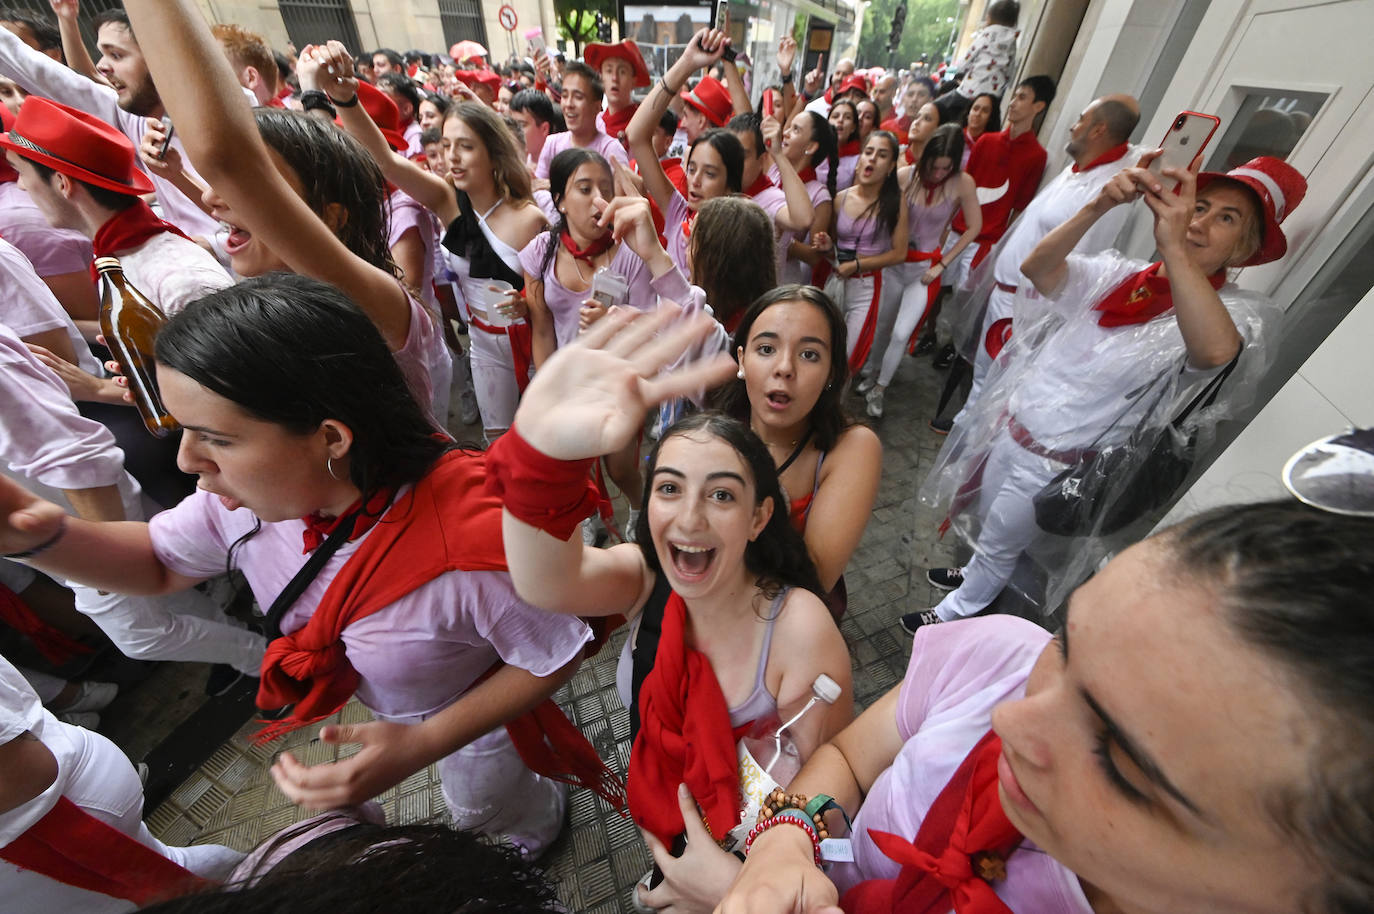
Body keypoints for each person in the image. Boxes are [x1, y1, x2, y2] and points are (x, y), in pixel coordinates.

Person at [0, 275, 612, 858]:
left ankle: (534, 827)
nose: (187, 461)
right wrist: (42, 537)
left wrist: (427, 741)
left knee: (486, 806)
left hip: (477, 718)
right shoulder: (245, 507)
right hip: (397, 710)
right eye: (183, 430)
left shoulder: (476, 547)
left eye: (217, 438)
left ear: (331, 438)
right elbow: (158, 565)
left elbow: (555, 652)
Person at [719, 499, 1374, 914]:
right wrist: (784, 843)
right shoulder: (1003, 657)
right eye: (1068, 644)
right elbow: (849, 759)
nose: (1009, 723)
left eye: (1120, 761)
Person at [487, 304, 854, 912]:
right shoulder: (645, 579)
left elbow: (821, 800)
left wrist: (726, 890)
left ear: (759, 517)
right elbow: (544, 580)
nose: (689, 518)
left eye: (721, 495)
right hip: (661, 821)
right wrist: (540, 456)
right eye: (669, 488)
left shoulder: (799, 630)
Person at [911, 155, 1304, 631]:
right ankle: (975, 575)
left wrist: (1175, 249)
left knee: (1000, 542)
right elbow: (1039, 267)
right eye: (1199, 206)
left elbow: (1216, 353)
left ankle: (956, 612)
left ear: (1244, 247)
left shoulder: (1230, 314)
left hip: (1053, 464)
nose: (1198, 222)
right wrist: (1097, 205)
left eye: (1227, 218)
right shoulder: (1121, 276)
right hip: (1010, 432)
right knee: (990, 526)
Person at [122, 3, 451, 427]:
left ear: (331, 218)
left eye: (259, 188)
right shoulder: (271, 302)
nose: (212, 199)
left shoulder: (378, 304)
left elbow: (232, 164)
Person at [308, 41, 545, 442]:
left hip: (530, 347)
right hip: (483, 346)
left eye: (465, 146)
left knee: (540, 441)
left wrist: (528, 304)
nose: (452, 157)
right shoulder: (446, 200)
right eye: (447, 146)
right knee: (498, 443)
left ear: (493, 153)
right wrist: (346, 99)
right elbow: (385, 161)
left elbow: (552, 301)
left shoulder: (530, 218)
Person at [939, 93, 1140, 434]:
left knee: (997, 385)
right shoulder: (1077, 173)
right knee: (983, 377)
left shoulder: (1105, 188)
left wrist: (1035, 311)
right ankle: (964, 430)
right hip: (1007, 295)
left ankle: (972, 440)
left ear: (1098, 130)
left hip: (1027, 304)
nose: (1073, 126)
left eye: (1081, 119)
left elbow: (1078, 258)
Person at [0, 652, 244, 910]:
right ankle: (260, 884)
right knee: (171, 870)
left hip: (52, 813)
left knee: (168, 889)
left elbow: (26, 773)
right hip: (57, 799)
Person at [0, 10, 226, 259]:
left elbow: (255, 213)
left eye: (116, 55)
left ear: (161, 57)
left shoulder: (230, 117)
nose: (101, 67)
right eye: (103, 54)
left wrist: (216, 246)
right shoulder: (133, 117)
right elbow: (40, 73)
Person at [715, 286, 881, 618]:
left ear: (832, 372)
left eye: (809, 355)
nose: (784, 367)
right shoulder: (715, 431)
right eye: (766, 349)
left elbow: (814, 578)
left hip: (789, 628)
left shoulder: (852, 447)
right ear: (742, 360)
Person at [861, 124, 981, 418]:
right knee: (882, 326)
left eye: (945, 168)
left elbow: (974, 226)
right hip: (893, 265)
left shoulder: (962, 183)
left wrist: (943, 263)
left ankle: (880, 388)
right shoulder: (905, 176)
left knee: (901, 333)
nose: (938, 174)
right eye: (934, 166)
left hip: (925, 270)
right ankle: (872, 371)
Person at [627, 30, 746, 278]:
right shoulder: (679, 213)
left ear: (730, 186)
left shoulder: (740, 240)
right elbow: (636, 135)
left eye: (710, 173)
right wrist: (687, 62)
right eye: (691, 169)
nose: (695, 180)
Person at [939, 75, 1053, 296]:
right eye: (1014, 96)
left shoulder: (1036, 156)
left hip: (986, 242)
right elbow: (962, 188)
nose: (1013, 103)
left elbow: (1020, 208)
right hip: (957, 232)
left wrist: (1002, 247)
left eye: (1022, 98)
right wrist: (944, 226)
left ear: (1038, 106)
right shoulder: (986, 141)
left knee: (964, 296)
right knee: (935, 288)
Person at [815, 131, 909, 375]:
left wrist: (857, 265)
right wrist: (827, 247)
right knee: (822, 347)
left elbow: (899, 253)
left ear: (891, 167)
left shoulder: (896, 202)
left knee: (846, 358)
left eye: (882, 155)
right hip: (836, 280)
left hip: (867, 288)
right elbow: (834, 249)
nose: (872, 159)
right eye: (868, 152)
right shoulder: (841, 198)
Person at [726, 112, 814, 279]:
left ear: (761, 160)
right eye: (727, 154)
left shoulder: (770, 198)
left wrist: (778, 154)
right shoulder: (718, 190)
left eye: (742, 156)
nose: (732, 163)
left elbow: (803, 219)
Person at [772, 110, 838, 285]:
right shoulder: (773, 170)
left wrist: (782, 238)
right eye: (789, 127)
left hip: (784, 280)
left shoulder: (819, 194)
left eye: (796, 130)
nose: (785, 133)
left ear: (810, 147)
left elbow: (814, 256)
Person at [534, 61, 627, 179]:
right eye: (565, 96)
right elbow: (539, 186)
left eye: (578, 97)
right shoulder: (552, 144)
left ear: (597, 107)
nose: (568, 104)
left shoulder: (611, 150)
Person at [937, 0, 1019, 122]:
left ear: (989, 18)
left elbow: (964, 62)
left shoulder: (985, 36)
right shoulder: (1012, 42)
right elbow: (1010, 71)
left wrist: (959, 71)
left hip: (970, 90)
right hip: (993, 96)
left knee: (936, 107)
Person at [584, 38, 650, 146]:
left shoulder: (644, 125)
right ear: (601, 78)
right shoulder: (594, 124)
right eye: (609, 71)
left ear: (634, 81)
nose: (614, 78)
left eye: (622, 72)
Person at [508, 87, 561, 170]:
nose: (514, 131)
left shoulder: (559, 167)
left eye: (521, 125)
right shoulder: (513, 163)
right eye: (512, 124)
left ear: (544, 129)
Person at [822, 99, 861, 191]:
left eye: (847, 117)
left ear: (853, 127)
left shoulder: (858, 161)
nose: (840, 120)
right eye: (835, 116)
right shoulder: (814, 151)